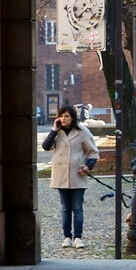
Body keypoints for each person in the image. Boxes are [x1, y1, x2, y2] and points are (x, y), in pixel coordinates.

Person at [43, 105, 99, 251]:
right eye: (61, 116)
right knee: (65, 208)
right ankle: (67, 236)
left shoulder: (82, 132)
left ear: (73, 117)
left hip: (77, 174)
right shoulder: (57, 132)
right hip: (61, 174)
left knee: (77, 208)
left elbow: (93, 152)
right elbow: (46, 147)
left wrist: (87, 166)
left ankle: (78, 237)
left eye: (67, 116)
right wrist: (54, 130)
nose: (63, 119)